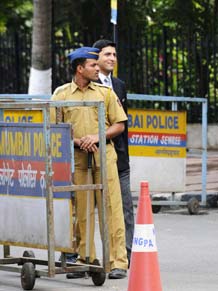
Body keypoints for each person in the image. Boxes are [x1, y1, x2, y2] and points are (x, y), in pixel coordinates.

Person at [51, 47, 129, 279]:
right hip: (77, 157)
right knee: (82, 210)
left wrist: (97, 136)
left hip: (104, 155)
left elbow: (119, 124)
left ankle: (117, 262)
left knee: (112, 208)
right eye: (93, 65)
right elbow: (55, 126)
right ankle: (86, 259)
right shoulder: (62, 95)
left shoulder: (105, 93)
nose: (98, 68)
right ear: (79, 68)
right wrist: (77, 141)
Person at [93, 39, 134, 267]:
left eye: (114, 55)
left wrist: (125, 155)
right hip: (95, 156)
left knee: (125, 208)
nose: (112, 58)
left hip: (120, 158)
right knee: (93, 209)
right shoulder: (89, 85)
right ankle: (85, 255)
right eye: (107, 54)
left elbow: (123, 123)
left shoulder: (119, 85)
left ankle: (126, 254)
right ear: (96, 58)